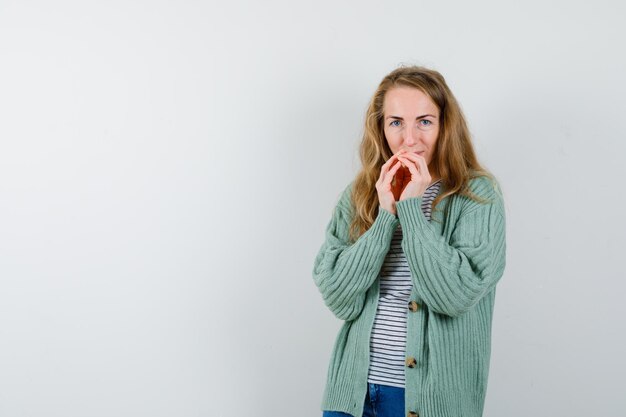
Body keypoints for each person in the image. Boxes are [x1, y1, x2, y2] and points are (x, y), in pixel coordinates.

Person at [312, 65, 506, 417]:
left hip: (428, 402)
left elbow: (454, 295)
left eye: (425, 121)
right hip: (351, 398)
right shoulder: (361, 195)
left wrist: (412, 211)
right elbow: (338, 297)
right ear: (381, 128)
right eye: (396, 122)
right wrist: (385, 215)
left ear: (446, 125)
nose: (410, 139)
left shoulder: (477, 195)